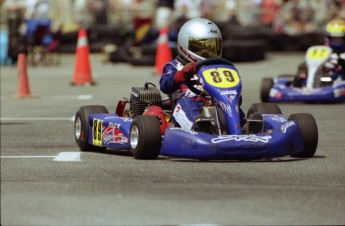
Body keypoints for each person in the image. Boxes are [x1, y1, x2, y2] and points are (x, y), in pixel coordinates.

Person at [159, 18, 246, 132]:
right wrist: (182, 74)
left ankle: (245, 126)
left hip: (214, 102)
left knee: (230, 105)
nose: (208, 53)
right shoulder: (175, 65)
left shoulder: (218, 67)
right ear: (186, 44)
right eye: (203, 49)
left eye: (212, 47)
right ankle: (199, 128)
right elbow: (165, 85)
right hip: (186, 103)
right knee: (186, 103)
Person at [294, 18, 345, 87]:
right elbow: (308, 63)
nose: (337, 41)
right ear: (328, 37)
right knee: (298, 78)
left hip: (340, 81)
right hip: (323, 79)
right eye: (334, 38)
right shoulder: (323, 51)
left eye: (339, 39)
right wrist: (303, 72)